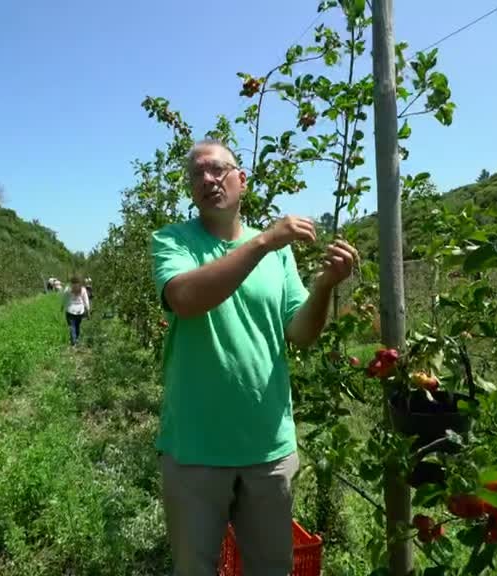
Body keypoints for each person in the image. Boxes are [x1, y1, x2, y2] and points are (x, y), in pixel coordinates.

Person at [151, 139, 358, 576]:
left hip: (268, 448)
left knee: (271, 568)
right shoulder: (173, 241)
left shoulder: (279, 254)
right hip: (194, 448)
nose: (208, 179)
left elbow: (300, 333)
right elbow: (185, 298)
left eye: (217, 169)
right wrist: (264, 241)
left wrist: (324, 288)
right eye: (197, 174)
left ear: (241, 180)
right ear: (190, 189)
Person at [62, 276, 90, 347]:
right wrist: (88, 310)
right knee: (77, 326)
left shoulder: (68, 289)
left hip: (70, 310)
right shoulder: (83, 289)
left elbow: (64, 299)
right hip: (80, 311)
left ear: (71, 282)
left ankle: (73, 342)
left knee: (72, 326)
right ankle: (76, 339)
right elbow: (86, 301)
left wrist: (62, 307)